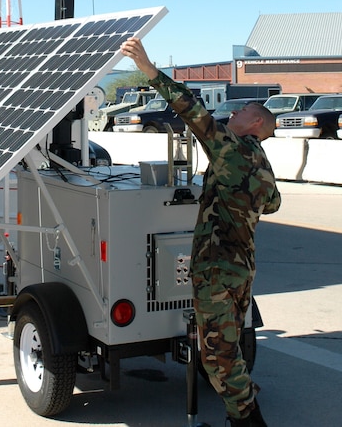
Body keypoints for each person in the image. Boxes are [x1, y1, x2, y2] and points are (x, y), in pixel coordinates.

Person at [120, 37, 281, 427]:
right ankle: (238, 415)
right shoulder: (259, 162)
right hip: (241, 271)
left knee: (217, 356)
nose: (235, 114)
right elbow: (273, 202)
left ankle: (248, 421)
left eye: (243, 111)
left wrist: (151, 72)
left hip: (217, 271)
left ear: (256, 123)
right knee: (229, 350)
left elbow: (195, 113)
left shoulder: (232, 151)